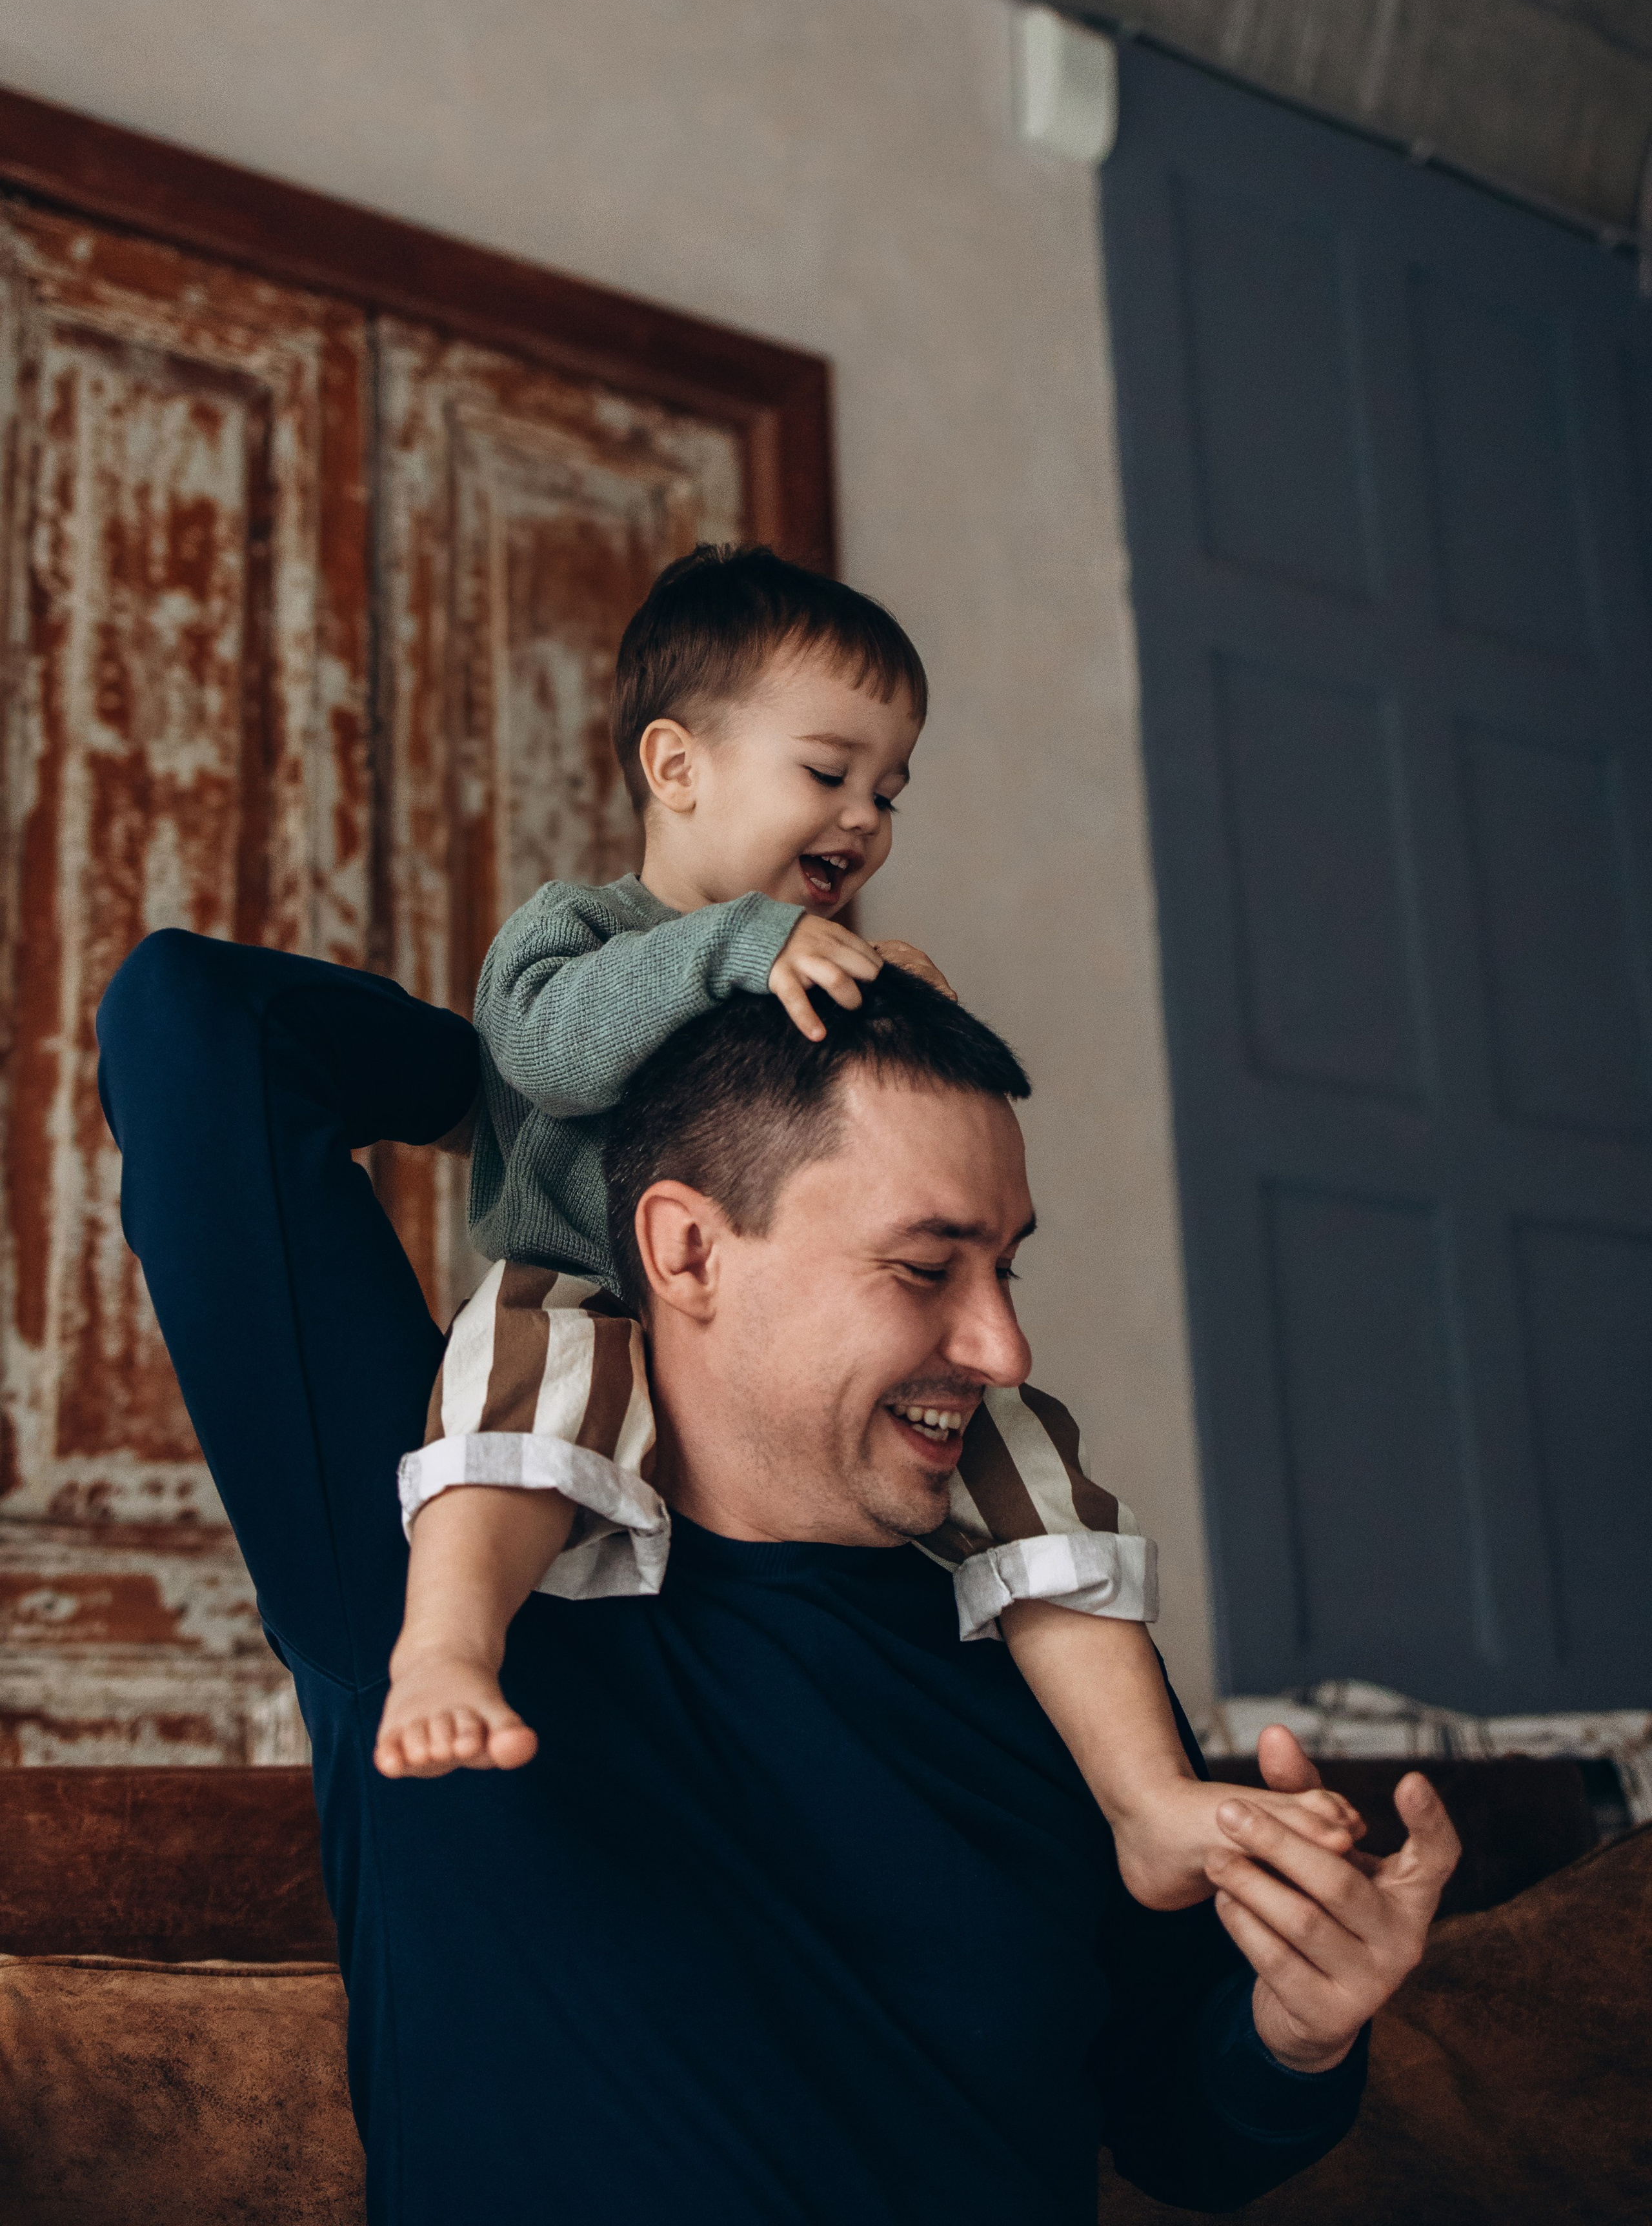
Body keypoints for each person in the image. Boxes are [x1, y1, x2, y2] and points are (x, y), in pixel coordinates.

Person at [97, 935, 1458, 2223]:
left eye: (1004, 1266)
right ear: (685, 1249)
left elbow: (1176, 2129)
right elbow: (202, 1025)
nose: (1003, 1347)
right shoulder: (430, 1562)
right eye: (925, 1268)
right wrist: (566, 1089)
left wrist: (1294, 2030)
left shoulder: (1051, 1640)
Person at [379, 543, 1363, 1909]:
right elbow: (543, 1054)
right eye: (828, 773)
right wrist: (737, 949)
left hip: (772, 1347)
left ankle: (1144, 1792)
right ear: (675, 767)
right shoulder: (582, 934)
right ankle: (445, 1646)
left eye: (887, 791)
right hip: (591, 1287)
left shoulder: (825, 956)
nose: (864, 819)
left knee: (1024, 1450)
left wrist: (891, 1018)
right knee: (518, 1371)